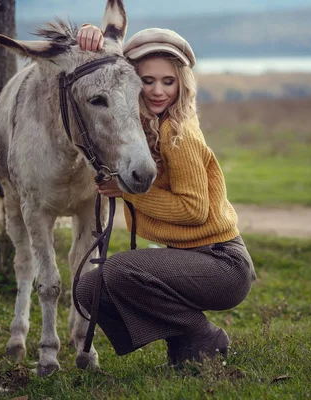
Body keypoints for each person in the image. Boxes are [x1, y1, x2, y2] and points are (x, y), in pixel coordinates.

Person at [75, 24, 256, 366]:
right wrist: (90, 39)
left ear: (181, 84)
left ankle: (203, 336)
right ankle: (185, 345)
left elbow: (194, 210)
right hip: (192, 260)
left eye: (168, 81)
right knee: (89, 289)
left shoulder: (178, 131)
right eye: (147, 81)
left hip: (222, 263)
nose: (158, 91)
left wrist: (128, 192)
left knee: (118, 271)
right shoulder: (145, 130)